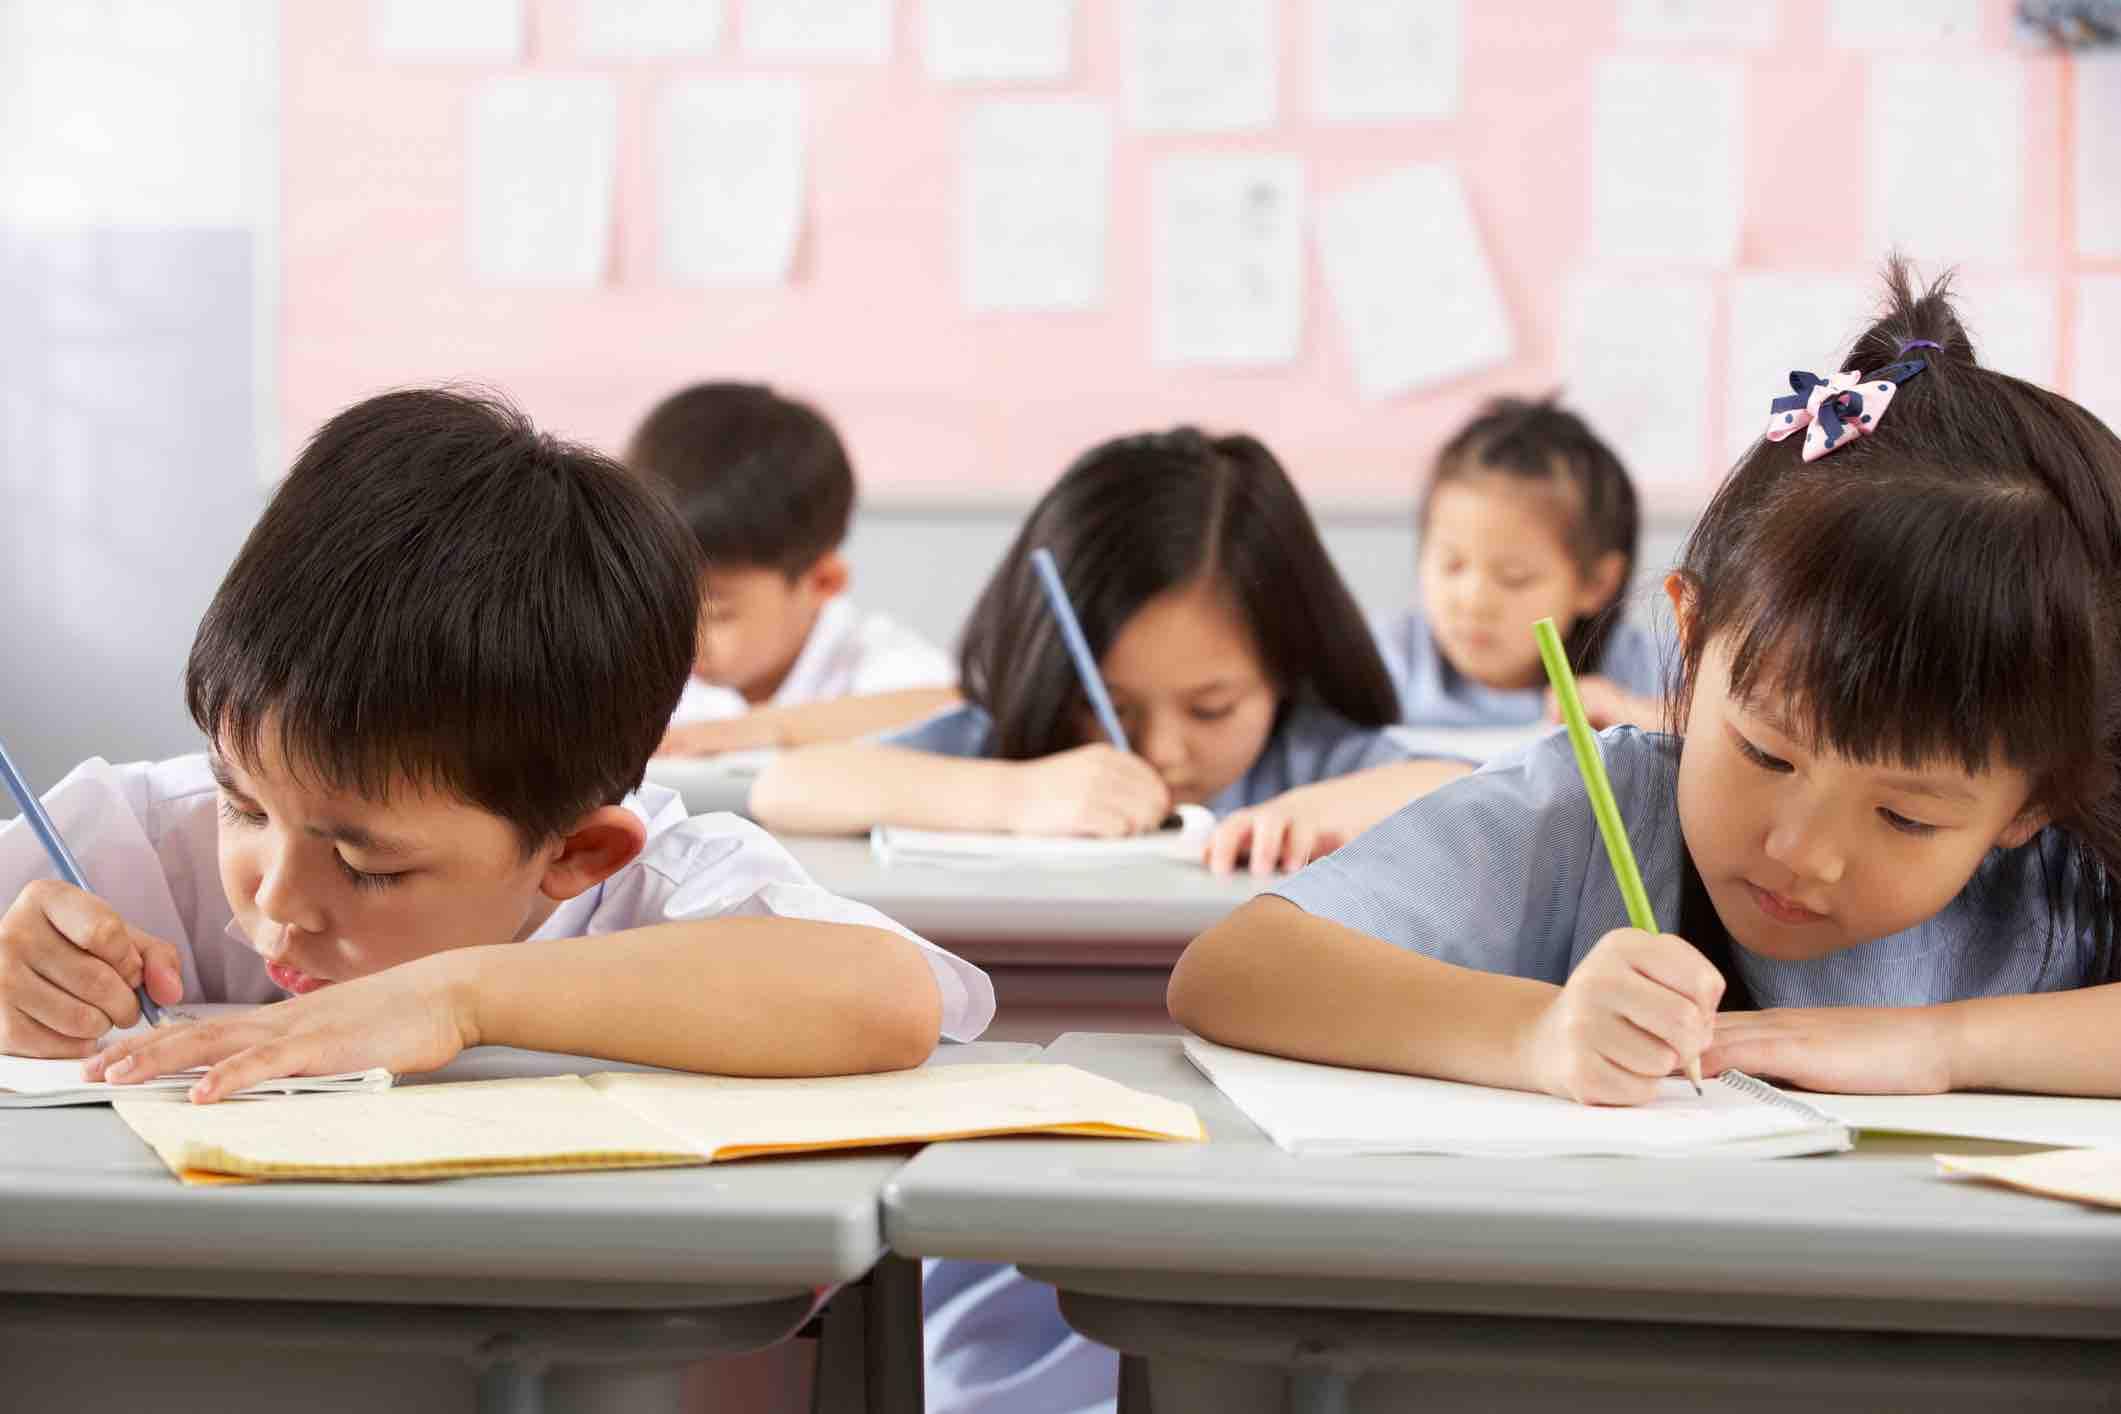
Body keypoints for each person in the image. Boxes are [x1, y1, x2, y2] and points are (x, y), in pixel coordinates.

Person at [1171, 262, 2121, 1106]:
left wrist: (1936, 1047)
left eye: (1906, 816)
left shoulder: (2067, 875)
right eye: (1764, 753)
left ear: (2029, 804)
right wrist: (1533, 1036)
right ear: (1693, 633)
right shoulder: (1593, 813)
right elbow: (1231, 970)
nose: (1800, 853)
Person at [0, 388, 992, 1097]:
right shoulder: (132, 843)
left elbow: (890, 997)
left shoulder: (665, 894)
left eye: (361, 861)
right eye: (243, 806)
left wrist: (460, 997)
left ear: (574, 851)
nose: (276, 896)